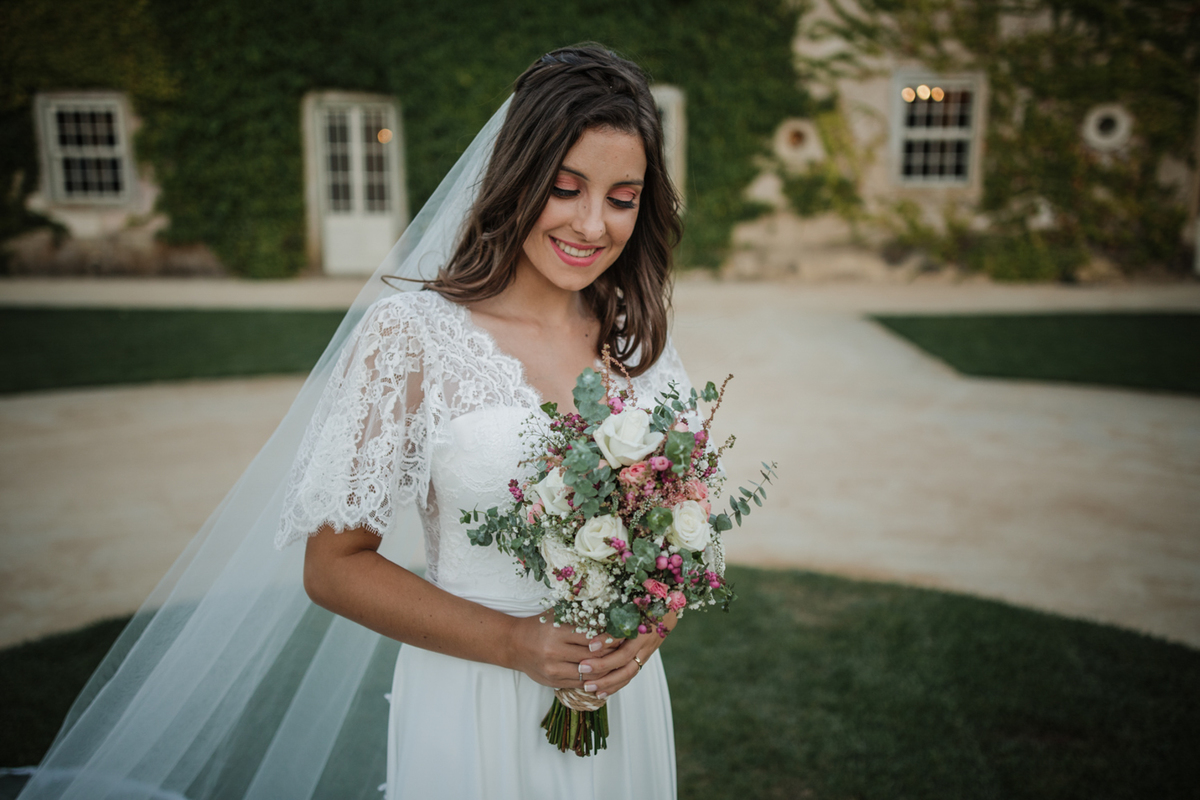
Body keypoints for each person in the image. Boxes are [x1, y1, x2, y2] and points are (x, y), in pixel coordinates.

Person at [17, 45, 689, 800]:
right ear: (517, 178)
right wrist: (517, 643)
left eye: (623, 197)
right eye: (565, 189)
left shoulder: (641, 347)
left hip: (623, 705)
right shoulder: (412, 336)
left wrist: (648, 629)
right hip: (473, 699)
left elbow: (679, 540)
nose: (592, 224)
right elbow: (333, 566)